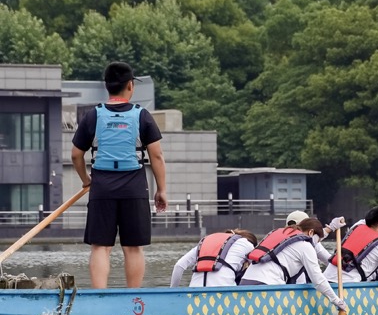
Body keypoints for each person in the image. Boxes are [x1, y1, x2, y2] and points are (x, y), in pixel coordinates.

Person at [70, 62, 167, 288]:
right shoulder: (142, 115)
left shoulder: (93, 115)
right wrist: (161, 190)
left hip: (102, 187)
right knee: (133, 247)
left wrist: (86, 180)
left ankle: (100, 295)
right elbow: (157, 156)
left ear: (107, 87)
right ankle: (133, 297)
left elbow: (76, 155)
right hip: (134, 187)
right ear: (130, 85)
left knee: (100, 246)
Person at [239, 219, 348, 314]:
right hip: (266, 286)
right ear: (310, 232)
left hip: (245, 284)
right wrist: (336, 300)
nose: (315, 244)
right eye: (318, 240)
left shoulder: (282, 234)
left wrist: (331, 227)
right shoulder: (306, 246)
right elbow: (318, 280)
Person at [170, 229, 258, 287]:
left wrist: (173, 292)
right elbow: (257, 268)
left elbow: (179, 266)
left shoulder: (205, 242)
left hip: (195, 291)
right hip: (224, 292)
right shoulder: (247, 244)